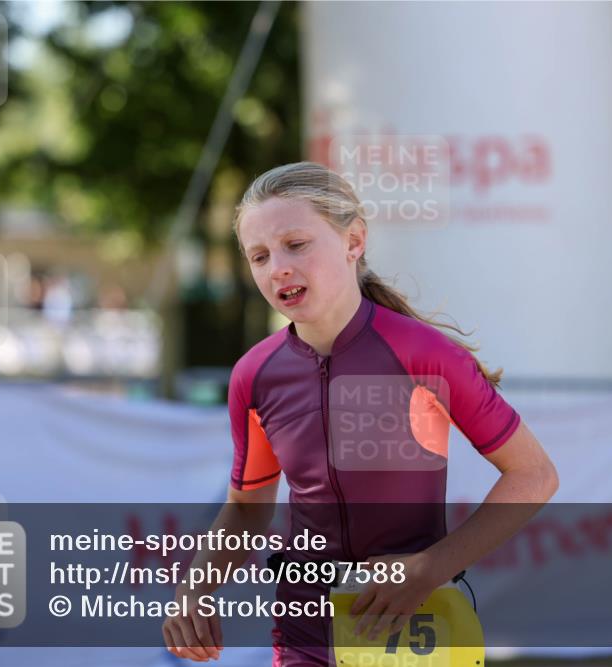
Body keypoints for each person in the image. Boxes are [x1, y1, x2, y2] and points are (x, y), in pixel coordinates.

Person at [162, 162, 559, 665]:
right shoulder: (254, 375)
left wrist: (428, 570)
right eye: (259, 256)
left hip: (414, 627)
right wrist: (196, 589)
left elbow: (534, 474)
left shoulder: (425, 355)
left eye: (296, 244)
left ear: (354, 242)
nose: (277, 267)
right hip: (302, 625)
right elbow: (247, 506)